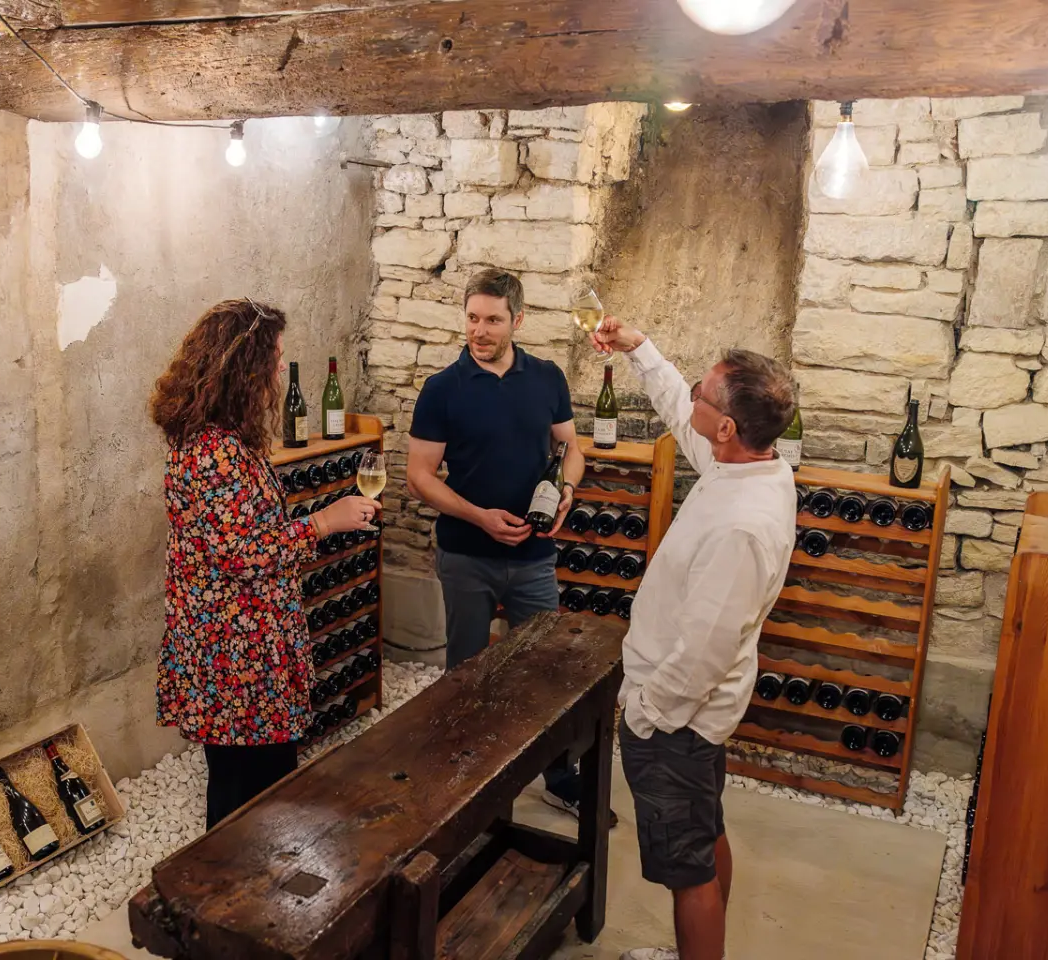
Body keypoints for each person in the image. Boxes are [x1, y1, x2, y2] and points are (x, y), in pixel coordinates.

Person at [588, 317, 798, 960]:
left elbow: (705, 648)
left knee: (688, 870)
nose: (695, 400)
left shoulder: (742, 526)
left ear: (729, 428)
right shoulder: (751, 468)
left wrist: (648, 714)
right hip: (694, 720)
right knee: (705, 838)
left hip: (678, 722)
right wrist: (640, 349)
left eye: (708, 395)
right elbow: (682, 409)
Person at [149, 299, 380, 829]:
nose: (281, 367)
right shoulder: (213, 451)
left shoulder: (221, 439)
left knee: (254, 783)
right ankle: (224, 896)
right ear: (244, 367)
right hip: (237, 657)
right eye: (275, 356)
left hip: (243, 646)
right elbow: (241, 551)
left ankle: (241, 890)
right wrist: (325, 521)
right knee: (249, 791)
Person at [405, 268, 589, 813]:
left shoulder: (548, 377)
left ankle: (559, 778)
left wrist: (568, 491)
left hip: (534, 556)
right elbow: (419, 476)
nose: (479, 330)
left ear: (518, 320)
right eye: (472, 318)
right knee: (465, 672)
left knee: (547, 669)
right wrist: (479, 516)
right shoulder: (442, 390)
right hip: (465, 555)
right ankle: (462, 782)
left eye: (492, 320)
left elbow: (571, 447)